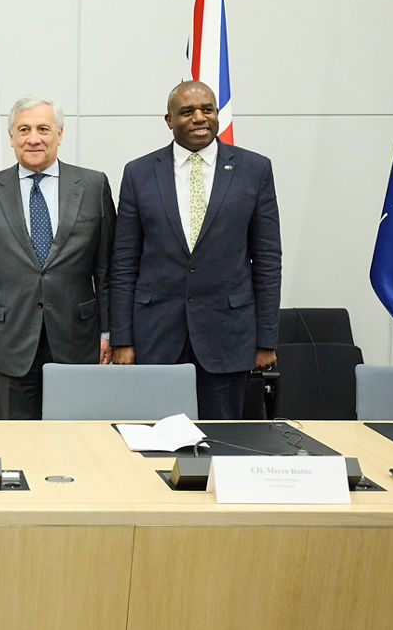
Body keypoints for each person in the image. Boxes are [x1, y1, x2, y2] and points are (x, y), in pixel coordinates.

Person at [110, 80, 281, 419]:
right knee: (154, 444)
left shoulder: (254, 169)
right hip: (155, 336)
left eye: (207, 109)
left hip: (227, 335)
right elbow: (124, 263)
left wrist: (266, 341)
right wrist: (122, 339)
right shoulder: (139, 172)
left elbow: (266, 260)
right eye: (187, 111)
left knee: (221, 442)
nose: (199, 118)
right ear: (169, 119)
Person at [0, 95, 116, 419]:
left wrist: (108, 332)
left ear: (59, 134)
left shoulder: (92, 185)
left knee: (79, 438)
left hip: (78, 338)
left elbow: (106, 269)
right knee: (16, 442)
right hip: (10, 339)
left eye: (43, 129)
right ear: (11, 137)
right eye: (23, 129)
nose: (33, 138)